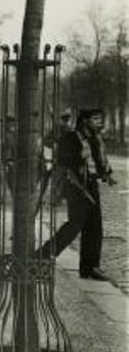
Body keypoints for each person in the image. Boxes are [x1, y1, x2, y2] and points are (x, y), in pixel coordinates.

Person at [37, 107, 116, 280]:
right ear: (85, 121)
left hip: (91, 185)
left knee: (95, 227)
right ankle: (41, 257)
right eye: (95, 119)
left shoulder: (95, 139)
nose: (99, 123)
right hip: (75, 185)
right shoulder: (71, 137)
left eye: (100, 119)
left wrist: (106, 174)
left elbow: (97, 161)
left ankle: (90, 267)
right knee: (75, 224)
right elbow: (63, 159)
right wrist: (79, 156)